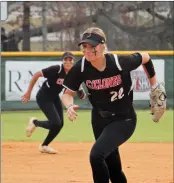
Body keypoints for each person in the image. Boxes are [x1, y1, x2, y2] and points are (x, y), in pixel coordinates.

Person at [61, 27, 166, 183]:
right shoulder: (81, 68)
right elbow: (67, 94)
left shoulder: (119, 62)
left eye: (92, 46)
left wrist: (154, 85)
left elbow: (145, 57)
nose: (87, 50)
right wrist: (69, 106)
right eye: (85, 46)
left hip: (123, 119)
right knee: (114, 170)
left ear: (103, 46)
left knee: (96, 156)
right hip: (99, 121)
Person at [21, 51, 86, 154]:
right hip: (43, 97)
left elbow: (76, 93)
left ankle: (44, 145)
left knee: (60, 124)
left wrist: (78, 94)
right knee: (55, 123)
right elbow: (37, 75)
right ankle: (34, 122)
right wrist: (28, 92)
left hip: (54, 97)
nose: (68, 62)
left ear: (73, 61)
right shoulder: (56, 69)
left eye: (70, 60)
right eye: (66, 59)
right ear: (62, 61)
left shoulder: (73, 73)